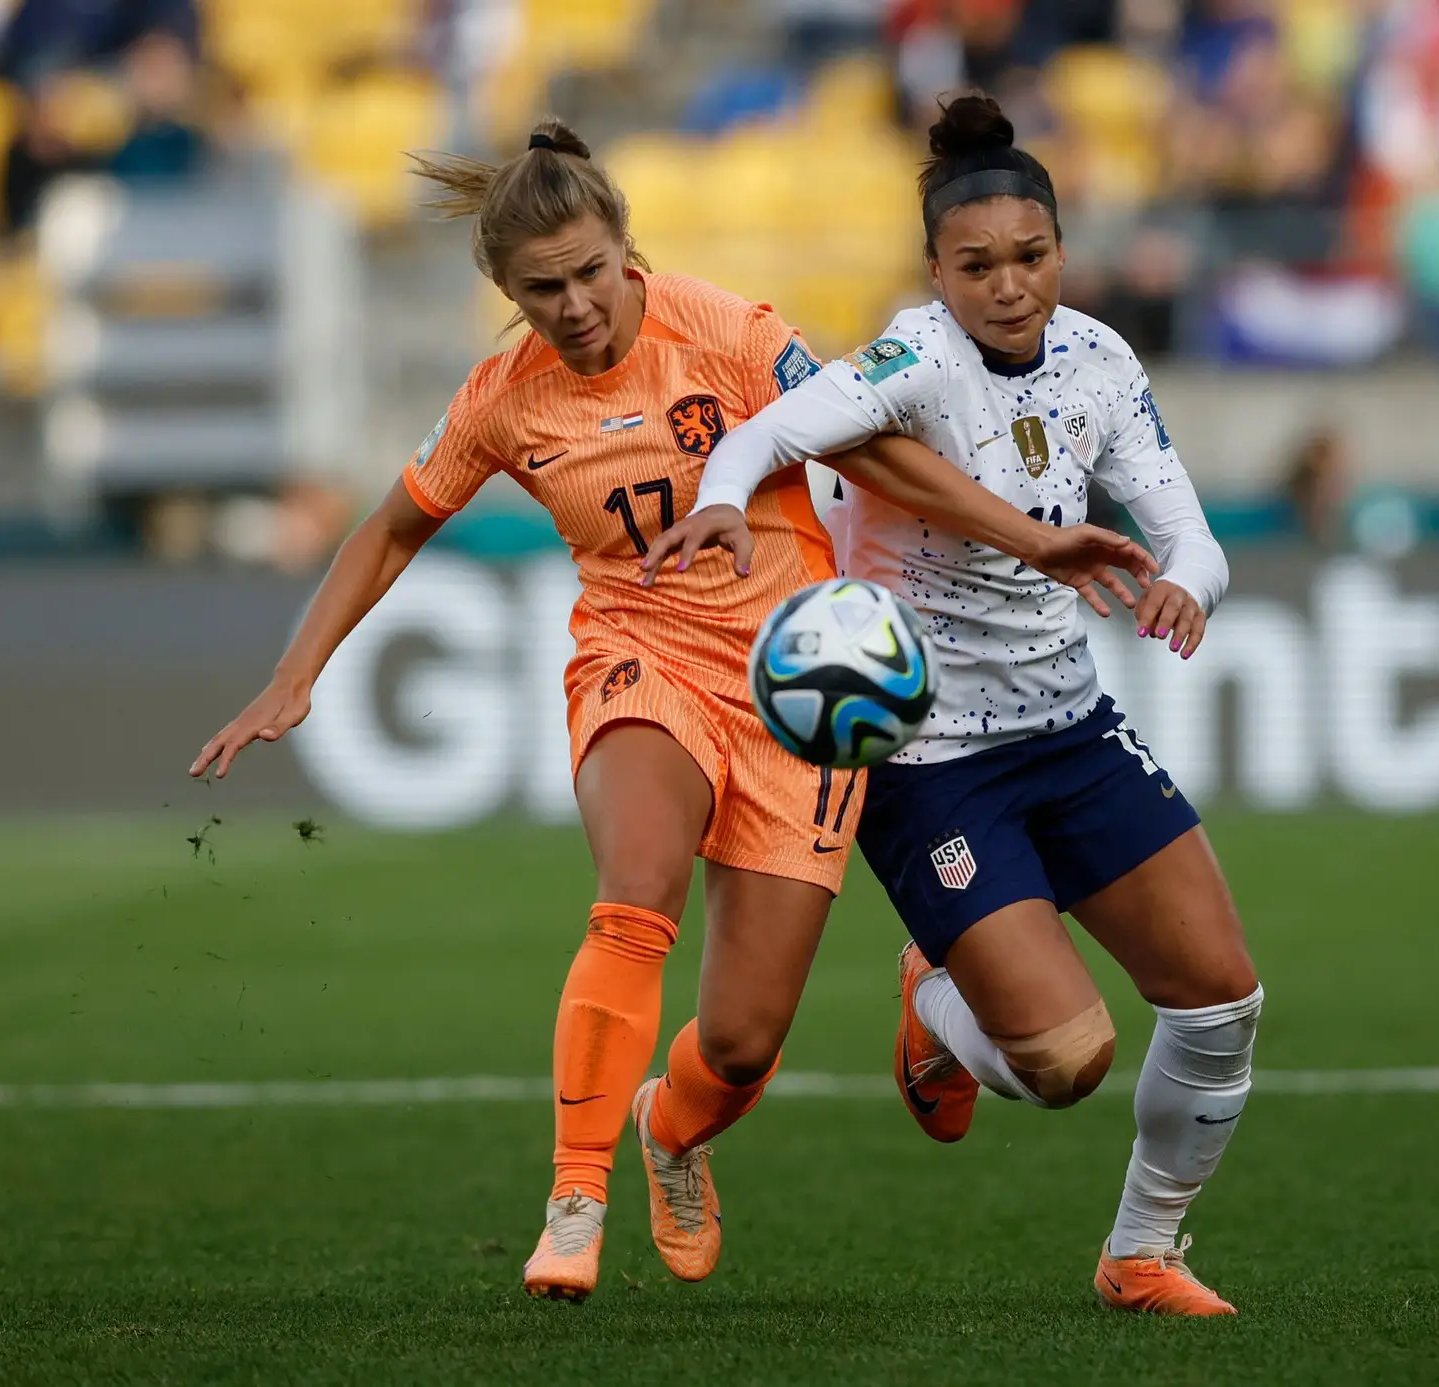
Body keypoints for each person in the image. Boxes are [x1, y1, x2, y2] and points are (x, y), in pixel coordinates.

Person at [187, 119, 1153, 1304]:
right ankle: (575, 1195)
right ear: (505, 288)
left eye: (591, 272)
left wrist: (1037, 539)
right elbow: (394, 523)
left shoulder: (733, 334)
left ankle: (671, 1130)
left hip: (799, 691)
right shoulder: (503, 399)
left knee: (742, 1043)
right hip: (640, 655)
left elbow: (881, 450)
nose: (577, 305)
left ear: (625, 250)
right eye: (543, 288)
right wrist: (301, 669)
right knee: (634, 882)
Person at [646, 93, 1263, 1318]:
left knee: (1224, 1001)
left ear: (1060, 253)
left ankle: (1143, 1252)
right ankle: (935, 1006)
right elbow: (773, 431)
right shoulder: (914, 358)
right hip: (929, 753)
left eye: (1030, 258)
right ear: (936, 272)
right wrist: (722, 493)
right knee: (1064, 1062)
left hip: (1073, 725)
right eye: (977, 265)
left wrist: (1187, 588)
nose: (1010, 286)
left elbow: (1187, 532)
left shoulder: (1099, 358)